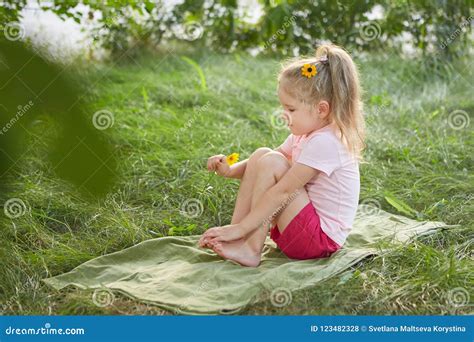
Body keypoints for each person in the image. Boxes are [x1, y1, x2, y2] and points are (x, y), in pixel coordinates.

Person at [198, 44, 365, 267]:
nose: (284, 116)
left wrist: (243, 225)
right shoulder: (305, 134)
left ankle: (250, 247)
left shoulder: (327, 141)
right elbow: (262, 164)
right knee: (262, 155)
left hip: (319, 241)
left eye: (291, 109)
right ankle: (239, 239)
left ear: (321, 110)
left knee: (272, 162)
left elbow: (283, 190)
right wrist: (230, 170)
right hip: (300, 228)